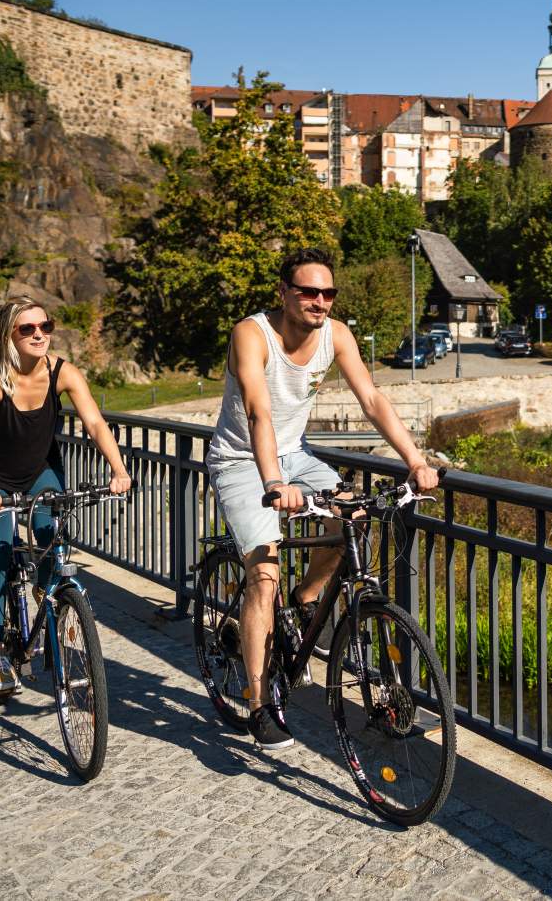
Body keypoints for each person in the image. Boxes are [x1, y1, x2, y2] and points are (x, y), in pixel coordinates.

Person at [207, 246, 439, 751]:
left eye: (327, 292)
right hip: (243, 462)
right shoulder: (252, 334)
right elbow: (256, 411)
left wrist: (415, 461)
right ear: (284, 292)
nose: (319, 301)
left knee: (352, 517)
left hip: (296, 456)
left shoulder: (336, 336)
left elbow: (373, 398)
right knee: (263, 574)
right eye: (308, 291)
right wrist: (273, 482)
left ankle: (304, 599)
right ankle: (259, 702)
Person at [0, 297, 132, 695]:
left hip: (41, 471)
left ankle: (50, 594)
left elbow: (94, 422)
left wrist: (119, 469)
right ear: (9, 335)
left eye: (45, 326)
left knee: (50, 534)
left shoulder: (63, 372)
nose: (39, 334)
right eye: (28, 329)